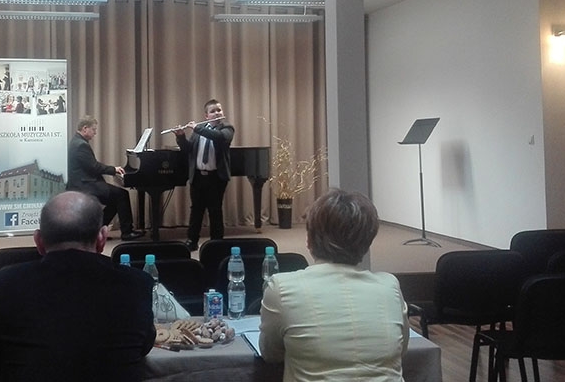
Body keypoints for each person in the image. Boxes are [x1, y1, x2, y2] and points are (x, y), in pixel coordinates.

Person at [0, 191, 155, 381]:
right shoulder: (137, 284)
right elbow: (144, 345)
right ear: (102, 238)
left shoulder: (7, 283)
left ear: (38, 241)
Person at [258, 189, 409, 382]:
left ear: (309, 240)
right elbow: (401, 349)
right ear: (367, 242)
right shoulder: (389, 287)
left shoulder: (281, 288)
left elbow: (271, 354)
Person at [67, 115, 144, 240]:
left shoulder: (76, 141)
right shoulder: (81, 145)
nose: (95, 133)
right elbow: (94, 167)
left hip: (83, 182)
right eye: (94, 129)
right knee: (122, 195)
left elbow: (92, 166)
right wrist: (114, 170)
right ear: (85, 128)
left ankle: (96, 232)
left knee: (115, 199)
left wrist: (112, 170)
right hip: (85, 185)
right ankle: (127, 232)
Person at [174, 98, 234, 251]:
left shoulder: (227, 128)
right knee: (196, 210)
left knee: (215, 210)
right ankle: (192, 240)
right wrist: (181, 136)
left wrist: (197, 129)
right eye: (213, 111)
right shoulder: (199, 130)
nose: (217, 113)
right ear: (206, 116)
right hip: (198, 176)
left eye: (219, 110)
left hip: (216, 178)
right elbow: (188, 150)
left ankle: (217, 242)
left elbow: (219, 137)